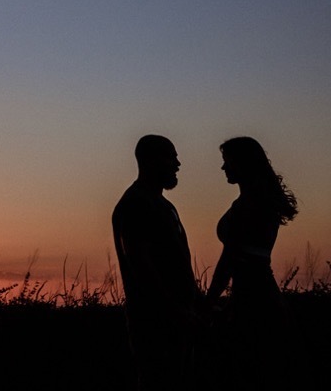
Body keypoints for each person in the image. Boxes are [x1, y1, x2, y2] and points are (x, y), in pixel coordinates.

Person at [205, 136, 298, 384]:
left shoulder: (251, 204)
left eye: (227, 161)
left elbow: (231, 258)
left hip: (254, 298)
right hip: (254, 293)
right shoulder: (255, 201)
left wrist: (209, 300)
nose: (223, 167)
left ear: (242, 163)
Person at [113, 135, 202, 390]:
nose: (178, 163)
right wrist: (175, 311)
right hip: (154, 323)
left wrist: (197, 301)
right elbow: (140, 264)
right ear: (150, 160)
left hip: (177, 320)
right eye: (171, 156)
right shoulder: (135, 203)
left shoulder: (163, 205)